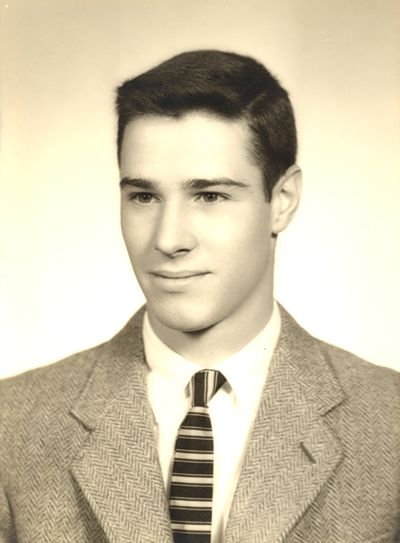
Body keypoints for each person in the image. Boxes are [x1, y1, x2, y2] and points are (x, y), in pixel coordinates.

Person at [0, 50, 399, 543]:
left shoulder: (389, 423)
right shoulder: (12, 425)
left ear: (283, 201)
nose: (168, 239)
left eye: (209, 196)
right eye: (143, 196)